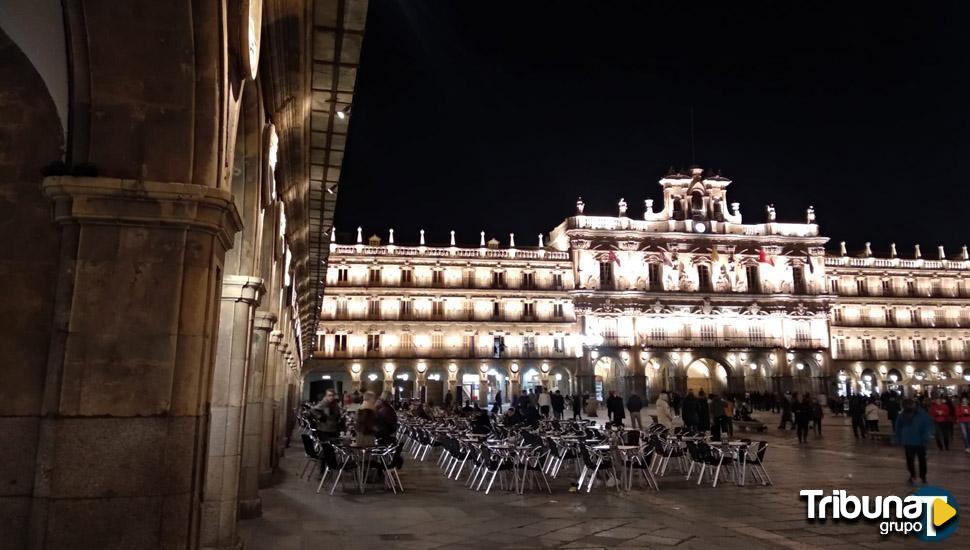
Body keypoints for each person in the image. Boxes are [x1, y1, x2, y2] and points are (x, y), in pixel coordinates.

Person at [895, 398, 934, 484]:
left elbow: (927, 426)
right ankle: (913, 475)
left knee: (920, 460)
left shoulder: (921, 414)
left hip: (919, 441)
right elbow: (898, 428)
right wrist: (898, 438)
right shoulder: (902, 415)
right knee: (911, 460)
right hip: (909, 441)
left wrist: (926, 437)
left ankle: (921, 476)